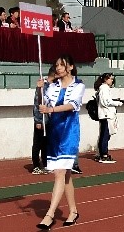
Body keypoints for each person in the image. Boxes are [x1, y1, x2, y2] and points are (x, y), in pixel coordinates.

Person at [37, 55, 85, 229]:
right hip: (54, 132)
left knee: (59, 172)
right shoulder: (52, 87)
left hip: (69, 132)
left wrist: (51, 109)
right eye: (56, 65)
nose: (58, 68)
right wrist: (40, 89)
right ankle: (73, 211)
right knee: (66, 174)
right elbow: (42, 105)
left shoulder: (79, 85)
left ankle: (49, 215)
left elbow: (72, 105)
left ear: (70, 67)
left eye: (62, 65)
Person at [94, 73, 124, 163]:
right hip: (106, 114)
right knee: (105, 134)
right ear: (105, 79)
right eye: (110, 79)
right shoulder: (104, 88)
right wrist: (118, 103)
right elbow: (106, 101)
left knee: (104, 134)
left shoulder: (103, 88)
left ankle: (101, 153)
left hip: (104, 114)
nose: (112, 80)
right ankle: (104, 155)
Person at [32, 66, 56, 175]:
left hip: (49, 119)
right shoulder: (42, 86)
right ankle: (36, 165)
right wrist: (38, 120)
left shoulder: (53, 86)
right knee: (38, 143)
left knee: (46, 143)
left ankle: (46, 163)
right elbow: (38, 104)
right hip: (41, 119)